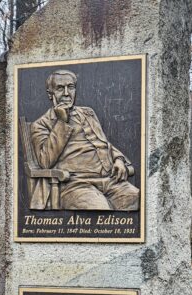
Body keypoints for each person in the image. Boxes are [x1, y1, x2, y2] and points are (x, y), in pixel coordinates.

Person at [28, 69, 139, 211]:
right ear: (51, 94)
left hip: (111, 180)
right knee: (100, 210)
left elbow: (103, 143)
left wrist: (119, 159)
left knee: (138, 200)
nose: (67, 93)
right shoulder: (41, 124)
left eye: (71, 87)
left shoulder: (88, 113)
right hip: (75, 185)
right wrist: (62, 122)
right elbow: (45, 162)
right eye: (60, 88)